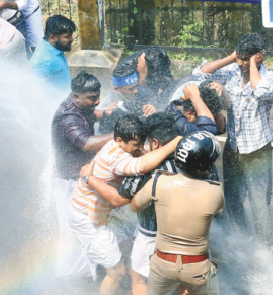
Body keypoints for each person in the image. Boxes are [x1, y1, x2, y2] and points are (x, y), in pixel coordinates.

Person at [71, 115, 183, 295]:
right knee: (117, 272)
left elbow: (143, 156)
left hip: (100, 214)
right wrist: (176, 141)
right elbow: (121, 194)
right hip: (88, 218)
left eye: (142, 144)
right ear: (120, 140)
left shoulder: (117, 145)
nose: (140, 149)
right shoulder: (118, 158)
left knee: (125, 252)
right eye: (136, 145)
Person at [193, 32, 273, 249]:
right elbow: (199, 73)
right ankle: (244, 237)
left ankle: (263, 247)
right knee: (232, 197)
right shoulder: (232, 70)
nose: (241, 63)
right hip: (234, 146)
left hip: (257, 150)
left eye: (246, 58)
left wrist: (251, 63)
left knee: (259, 202)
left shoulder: (270, 79)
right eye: (240, 58)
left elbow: (259, 92)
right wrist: (232, 57)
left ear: (259, 57)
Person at [131, 131, 224, 295]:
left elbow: (135, 206)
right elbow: (216, 213)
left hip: (162, 264)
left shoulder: (158, 182)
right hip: (197, 266)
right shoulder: (215, 193)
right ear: (208, 165)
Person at [51, 71, 114, 278]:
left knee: (86, 224)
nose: (96, 101)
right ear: (76, 96)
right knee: (72, 230)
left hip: (80, 177)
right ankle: (70, 278)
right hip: (69, 181)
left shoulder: (79, 105)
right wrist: (119, 134)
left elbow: (90, 114)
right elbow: (87, 144)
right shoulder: (68, 117)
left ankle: (89, 270)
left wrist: (105, 113)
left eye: (98, 96)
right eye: (92, 98)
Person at [116, 113, 180, 295]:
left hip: (151, 234)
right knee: (179, 282)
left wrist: (89, 178)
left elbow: (123, 198)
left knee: (139, 279)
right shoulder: (191, 161)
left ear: (155, 143)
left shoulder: (146, 170)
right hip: (183, 236)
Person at [98, 57, 158, 133]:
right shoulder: (109, 104)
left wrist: (154, 112)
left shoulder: (146, 94)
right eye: (130, 89)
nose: (136, 91)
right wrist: (108, 115)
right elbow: (102, 133)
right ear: (117, 89)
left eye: (137, 86)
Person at [30, 15, 75, 93]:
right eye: (67, 37)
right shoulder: (45, 61)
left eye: (71, 36)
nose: (71, 39)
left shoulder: (54, 48)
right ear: (52, 37)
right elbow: (35, 90)